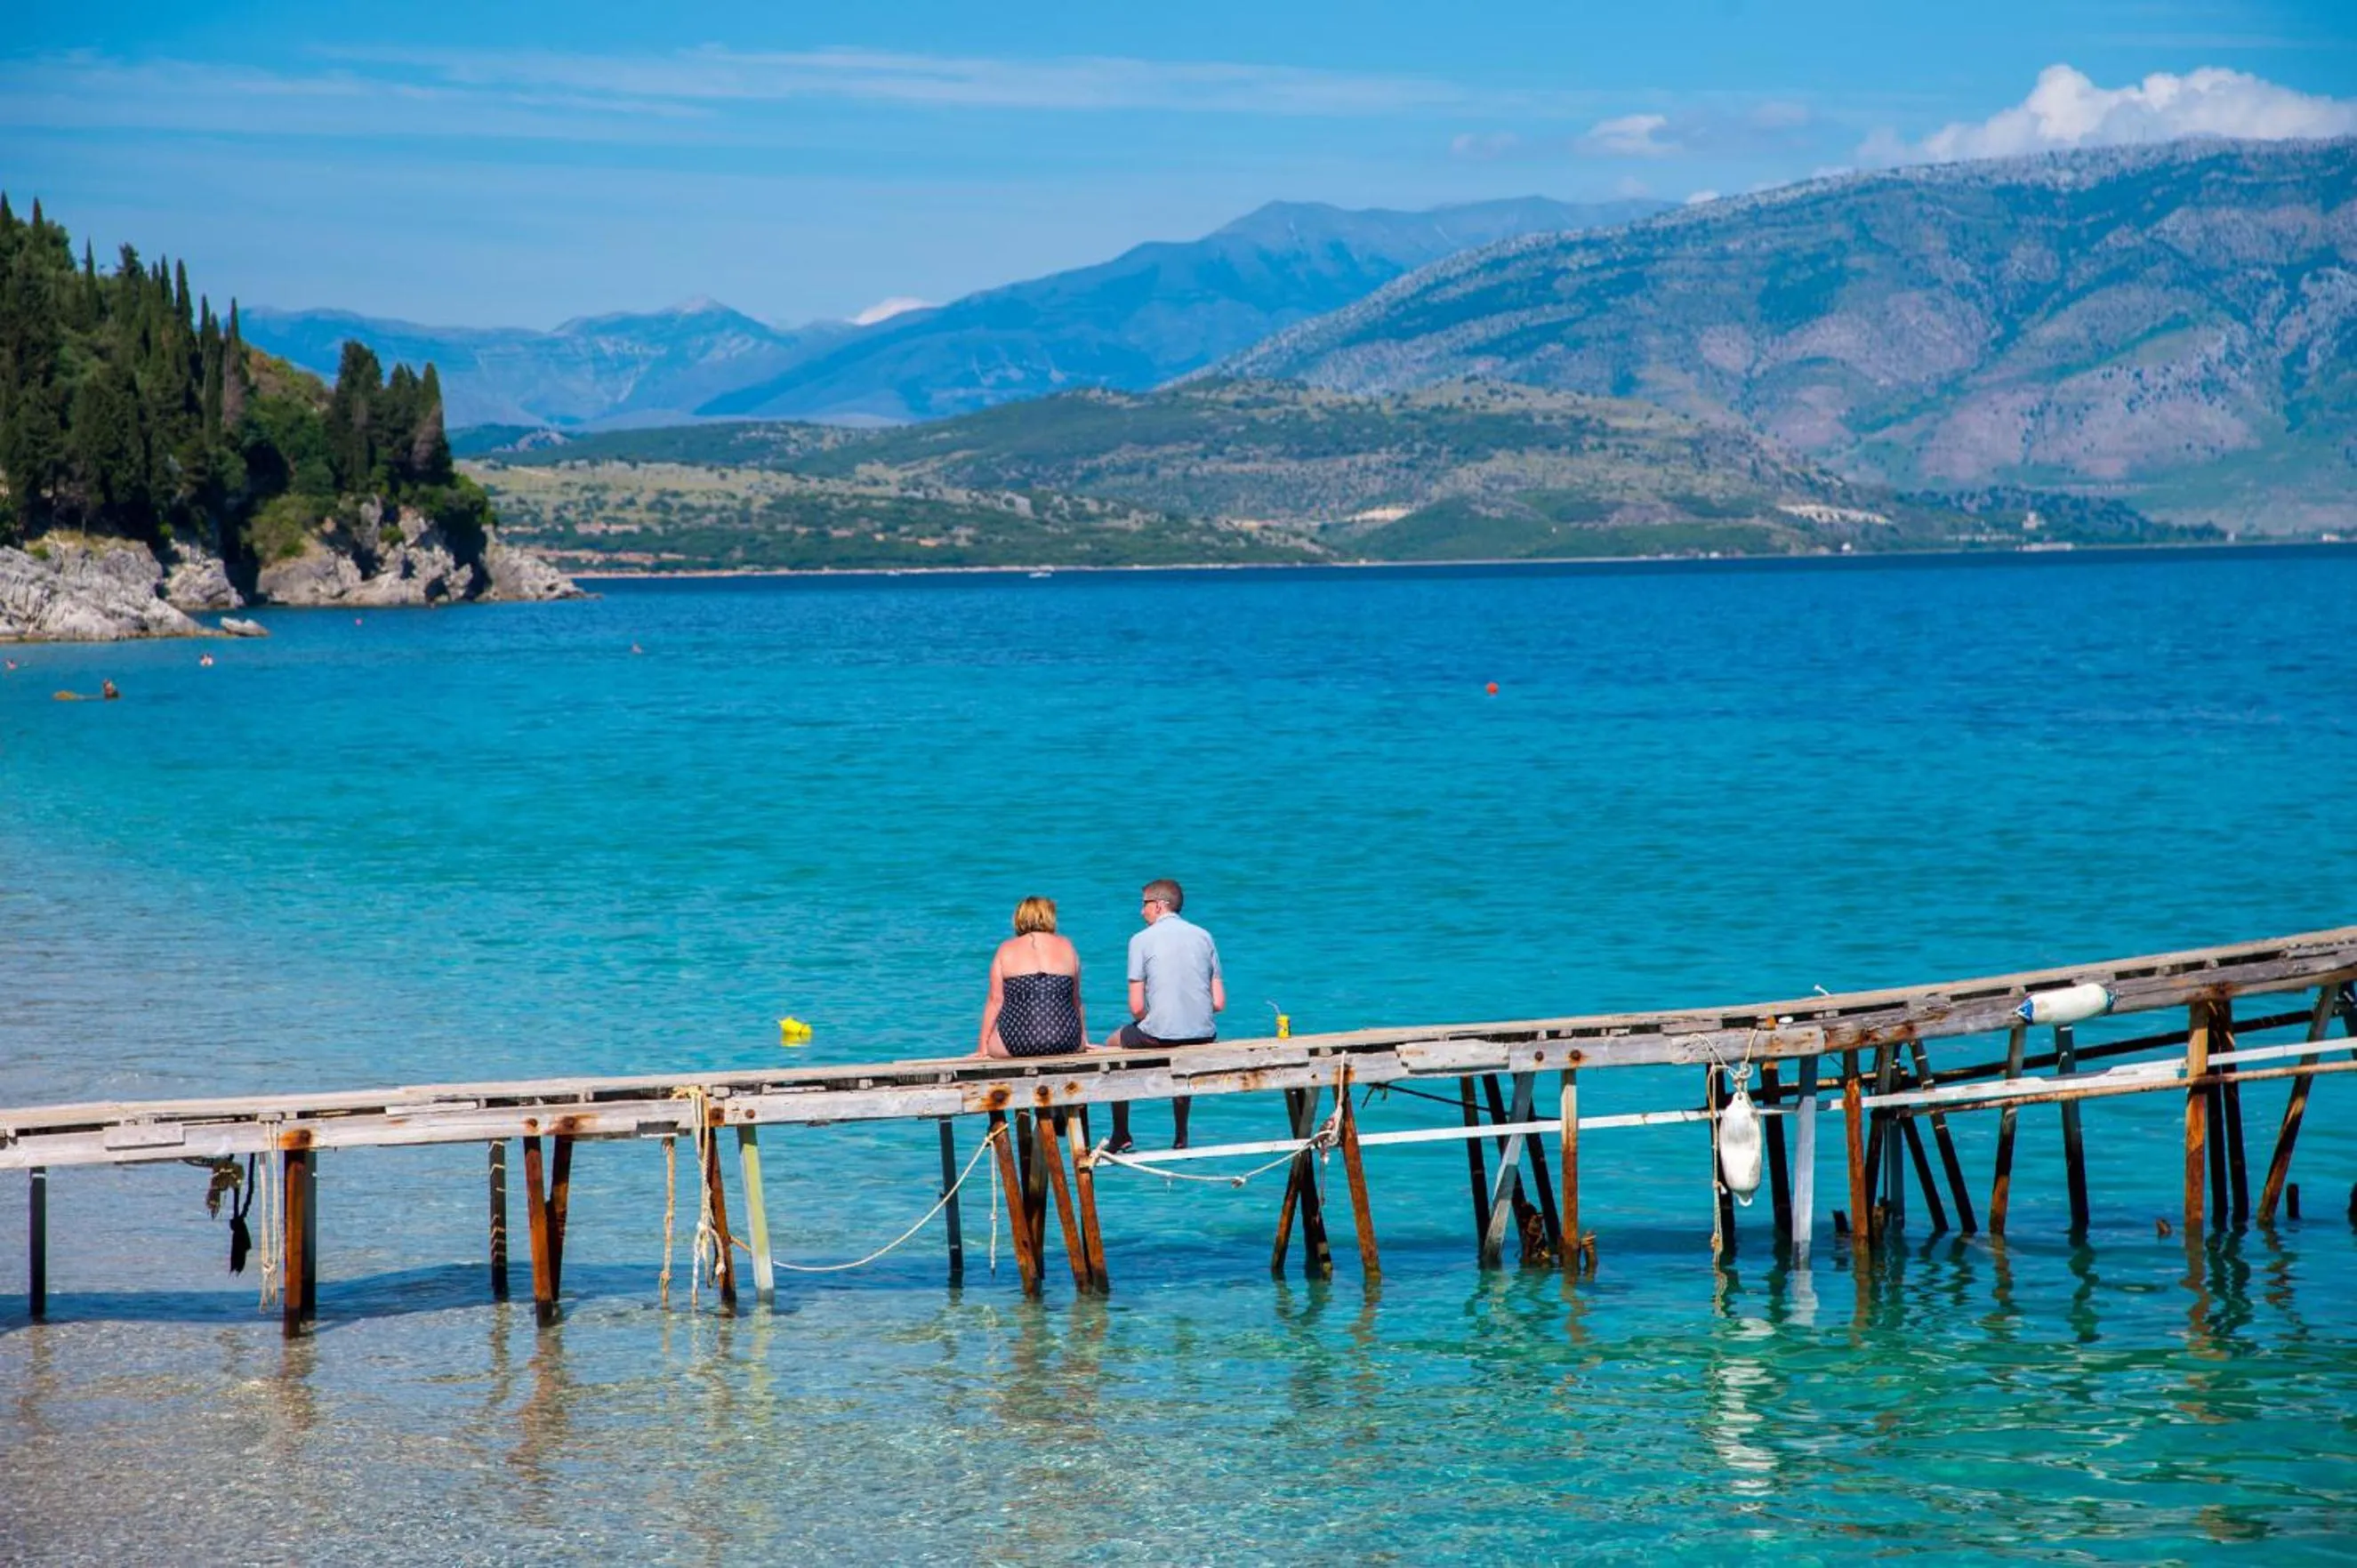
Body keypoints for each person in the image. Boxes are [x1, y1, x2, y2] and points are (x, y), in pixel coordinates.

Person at [1104, 878, 1224, 1151]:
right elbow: (1218, 1003)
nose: (1141, 911)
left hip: (1159, 1035)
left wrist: (1152, 1017)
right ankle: (1181, 1135)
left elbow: (1136, 1007)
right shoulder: (1205, 936)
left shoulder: (1140, 940)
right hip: (1203, 1035)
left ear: (1158, 906)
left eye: (1144, 904)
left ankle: (1121, 1132)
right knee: (1182, 1051)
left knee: (1112, 1045)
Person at [975, 896, 1089, 1059]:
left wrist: (982, 1046)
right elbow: (1075, 1000)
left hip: (1016, 1043)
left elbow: (995, 1000)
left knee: (993, 1041)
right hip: (1067, 1040)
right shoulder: (1067, 946)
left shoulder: (1006, 949)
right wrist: (1083, 1038)